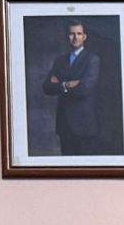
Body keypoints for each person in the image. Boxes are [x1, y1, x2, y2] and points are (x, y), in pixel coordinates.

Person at [41, 20, 104, 155]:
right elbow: (46, 87)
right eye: (71, 34)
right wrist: (67, 84)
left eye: (79, 34)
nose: (75, 37)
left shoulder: (92, 59)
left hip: (84, 126)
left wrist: (59, 84)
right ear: (67, 36)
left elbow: (85, 89)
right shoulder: (60, 60)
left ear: (84, 37)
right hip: (64, 125)